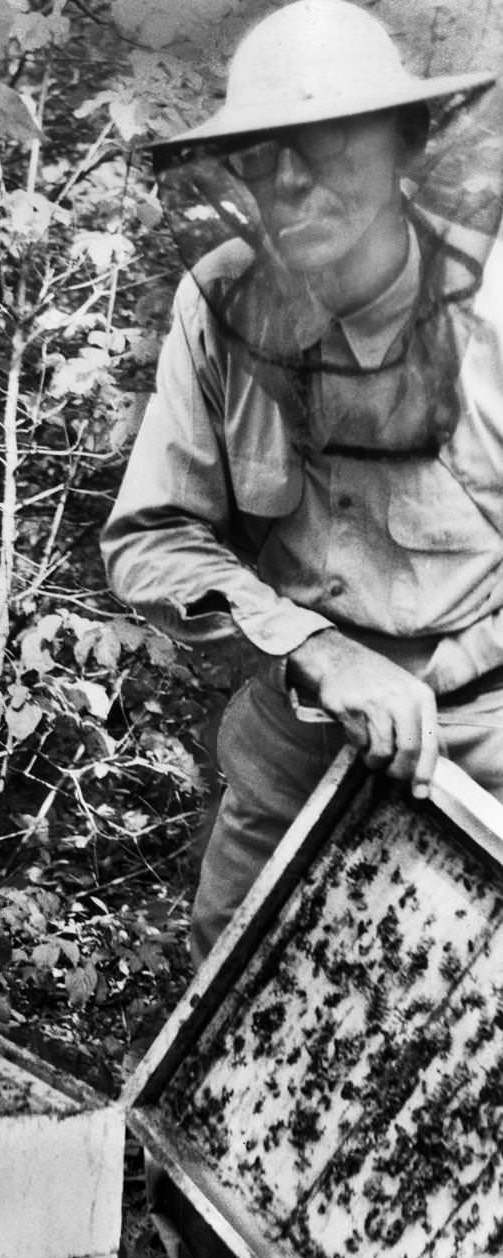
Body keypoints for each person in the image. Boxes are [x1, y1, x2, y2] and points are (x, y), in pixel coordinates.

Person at [102, 0, 503, 964]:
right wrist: (323, 651)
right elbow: (152, 538)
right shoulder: (218, 300)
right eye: (261, 153)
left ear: (405, 141)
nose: (290, 181)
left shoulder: (492, 300)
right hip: (300, 733)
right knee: (229, 1011)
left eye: (324, 143)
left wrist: (438, 677)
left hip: (488, 742)